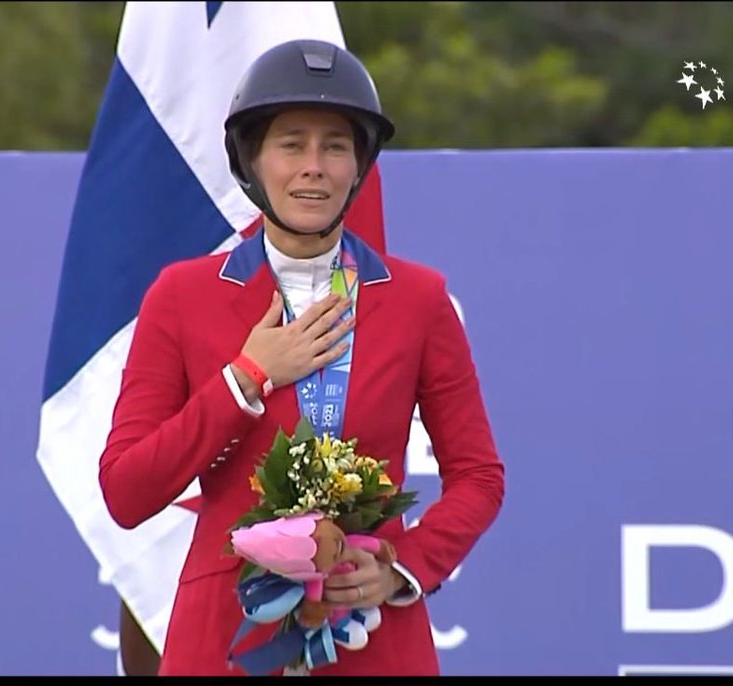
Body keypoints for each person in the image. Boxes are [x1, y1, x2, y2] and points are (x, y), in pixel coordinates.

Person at [99, 38, 505, 676]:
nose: (313, 165)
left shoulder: (418, 299)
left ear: (358, 165)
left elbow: (479, 477)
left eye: (335, 146)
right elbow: (126, 490)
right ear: (252, 162)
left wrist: (401, 569)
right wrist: (245, 379)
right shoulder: (181, 296)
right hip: (225, 638)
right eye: (292, 144)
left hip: (374, 640)